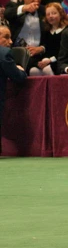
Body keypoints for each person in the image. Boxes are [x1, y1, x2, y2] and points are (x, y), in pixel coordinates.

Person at [0, 24, 26, 152]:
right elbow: (18, 77)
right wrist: (20, 70)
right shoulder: (4, 54)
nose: (10, 42)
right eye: (6, 37)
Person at [36, 2, 68, 76]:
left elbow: (65, 52)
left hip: (61, 61)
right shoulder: (46, 31)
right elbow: (46, 48)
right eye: (48, 14)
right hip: (48, 60)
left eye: (54, 13)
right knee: (34, 70)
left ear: (61, 14)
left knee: (47, 69)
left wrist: (50, 60)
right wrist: (44, 60)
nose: (50, 16)